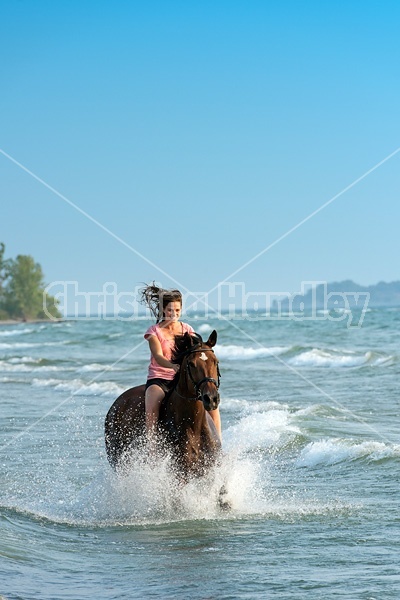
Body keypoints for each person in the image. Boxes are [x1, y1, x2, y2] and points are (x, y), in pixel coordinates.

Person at [140, 284, 222, 444]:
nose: (173, 314)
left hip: (183, 379)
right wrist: (171, 366)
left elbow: (195, 351)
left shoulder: (187, 329)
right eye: (170, 310)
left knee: (213, 404)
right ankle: (151, 446)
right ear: (163, 310)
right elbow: (157, 355)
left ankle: (218, 442)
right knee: (152, 402)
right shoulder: (154, 331)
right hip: (160, 379)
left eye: (177, 311)